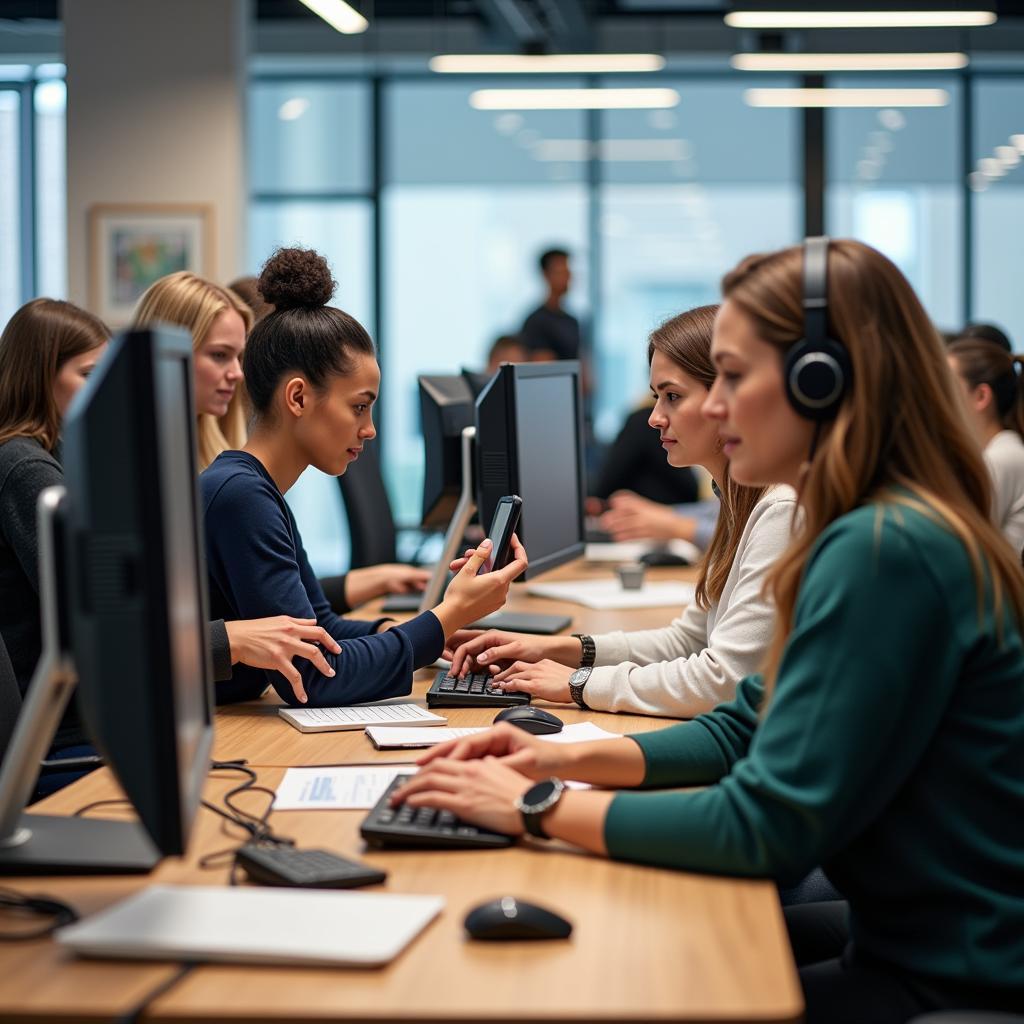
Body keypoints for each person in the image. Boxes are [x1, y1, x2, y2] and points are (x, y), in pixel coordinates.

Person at [396, 239, 1024, 1023]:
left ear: (819, 380)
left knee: (617, 985)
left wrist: (535, 805)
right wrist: (549, 755)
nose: (713, 406)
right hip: (907, 939)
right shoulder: (863, 527)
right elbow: (740, 727)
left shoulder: (885, 549)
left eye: (732, 375)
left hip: (953, 975)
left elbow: (765, 826)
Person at [200, 246, 528, 708]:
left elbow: (320, 629)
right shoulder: (241, 496)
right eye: (359, 406)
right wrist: (445, 617)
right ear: (297, 397)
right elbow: (316, 679)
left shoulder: (255, 488)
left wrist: (422, 634)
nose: (369, 429)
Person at [0, 300, 334, 752]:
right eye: (87, 374)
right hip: (79, 735)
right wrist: (228, 639)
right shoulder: (27, 470)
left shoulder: (63, 465)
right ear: (39, 378)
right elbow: (105, 630)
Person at [450, 305, 795, 719]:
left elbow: (724, 680)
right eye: (656, 397)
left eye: (672, 396)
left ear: (728, 399)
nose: (654, 418)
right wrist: (558, 650)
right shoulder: (739, 499)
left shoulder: (780, 509)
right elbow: (689, 641)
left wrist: (578, 685)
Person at [132, 271, 429, 612]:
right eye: (219, 355)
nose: (238, 373)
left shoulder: (226, 455)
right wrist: (230, 641)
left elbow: (287, 598)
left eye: (241, 357)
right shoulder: (223, 484)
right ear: (164, 356)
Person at [948, 338, 1024, 552]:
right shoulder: (998, 452)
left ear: (981, 396)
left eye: (949, 386)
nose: (939, 396)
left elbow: (960, 545)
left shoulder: (1002, 458)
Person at [520, 248, 580, 361]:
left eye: (568, 272)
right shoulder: (536, 322)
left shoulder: (571, 321)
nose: (567, 278)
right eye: (561, 272)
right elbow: (543, 369)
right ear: (546, 275)